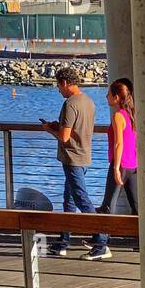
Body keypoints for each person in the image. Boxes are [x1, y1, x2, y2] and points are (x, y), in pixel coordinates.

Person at [41, 67, 109, 260]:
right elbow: (78, 129)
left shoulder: (70, 104)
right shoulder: (88, 102)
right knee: (69, 199)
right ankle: (63, 241)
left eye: (58, 85)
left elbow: (64, 137)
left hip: (72, 158)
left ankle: (101, 241)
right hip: (85, 155)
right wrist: (59, 125)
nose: (58, 90)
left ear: (64, 83)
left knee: (81, 199)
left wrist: (49, 129)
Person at [97, 77, 138, 218]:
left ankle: (102, 239)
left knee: (108, 206)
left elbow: (119, 143)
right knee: (136, 206)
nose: (106, 96)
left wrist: (116, 168)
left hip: (121, 163)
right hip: (133, 164)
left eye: (108, 94)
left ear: (116, 97)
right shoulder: (132, 114)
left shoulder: (118, 116)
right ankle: (140, 238)